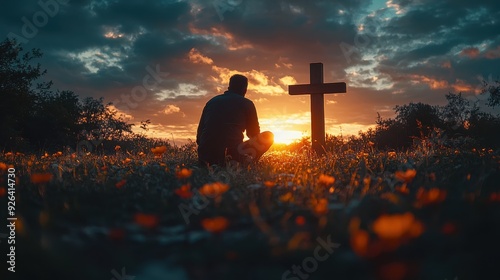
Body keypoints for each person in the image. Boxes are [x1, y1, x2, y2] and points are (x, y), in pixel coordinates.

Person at [196, 74, 274, 166]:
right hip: (233, 156)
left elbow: (199, 136)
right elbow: (253, 134)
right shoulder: (247, 104)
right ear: (245, 89)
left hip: (206, 156)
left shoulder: (211, 101)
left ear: (229, 87)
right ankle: (248, 164)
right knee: (268, 136)